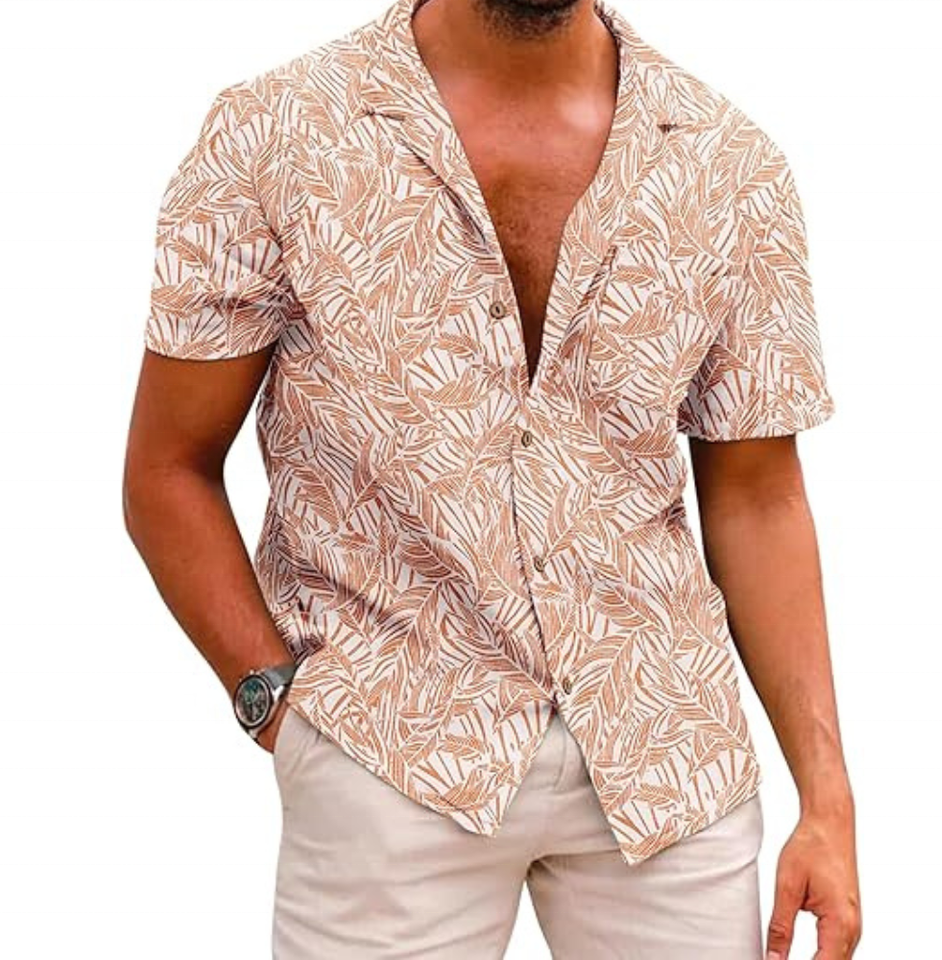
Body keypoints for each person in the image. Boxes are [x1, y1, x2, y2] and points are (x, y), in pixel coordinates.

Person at [123, 0, 862, 956]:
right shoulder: (277, 133)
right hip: (388, 750)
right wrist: (279, 707)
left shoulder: (729, 164)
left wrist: (827, 798)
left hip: (668, 763)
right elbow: (167, 468)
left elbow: (759, 496)